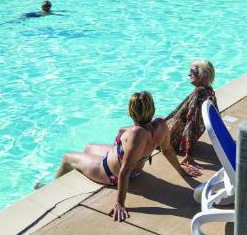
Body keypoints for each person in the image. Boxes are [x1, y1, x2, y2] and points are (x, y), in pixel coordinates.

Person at [55, 91, 197, 221]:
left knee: (67, 158)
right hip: (131, 166)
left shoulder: (135, 135)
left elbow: (125, 171)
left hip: (110, 172)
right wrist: (182, 172)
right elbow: (168, 151)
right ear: (152, 108)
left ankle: (51, 186)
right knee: (88, 147)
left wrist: (120, 203)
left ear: (131, 111)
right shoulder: (161, 125)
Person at [165, 60, 218, 175]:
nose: (189, 74)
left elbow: (191, 123)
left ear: (203, 73)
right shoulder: (211, 92)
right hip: (173, 132)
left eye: (192, 71)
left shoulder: (200, 93)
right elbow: (216, 118)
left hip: (170, 138)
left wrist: (188, 155)